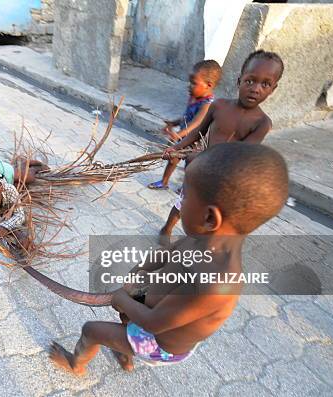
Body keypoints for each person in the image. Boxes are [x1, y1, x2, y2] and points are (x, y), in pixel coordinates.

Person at [48, 142, 289, 375]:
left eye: (184, 196)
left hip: (158, 342)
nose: (179, 202)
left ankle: (75, 364)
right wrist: (137, 274)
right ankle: (125, 352)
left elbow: (153, 323)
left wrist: (122, 297)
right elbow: (163, 255)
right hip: (155, 312)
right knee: (126, 311)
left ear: (209, 218)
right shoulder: (200, 238)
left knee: (92, 329)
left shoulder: (216, 283)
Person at [159, 50, 284, 238]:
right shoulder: (218, 106)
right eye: (250, 80)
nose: (256, 88)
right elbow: (197, 132)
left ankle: (198, 242)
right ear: (239, 80)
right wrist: (176, 148)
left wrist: (199, 157)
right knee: (184, 203)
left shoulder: (262, 123)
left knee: (213, 218)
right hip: (199, 172)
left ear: (273, 89)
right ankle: (166, 230)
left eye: (265, 84)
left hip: (225, 181)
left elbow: (240, 155)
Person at [148, 60, 222, 190]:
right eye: (190, 82)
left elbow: (197, 123)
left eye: (194, 83)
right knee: (172, 159)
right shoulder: (194, 96)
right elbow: (186, 116)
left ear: (208, 85)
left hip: (196, 142)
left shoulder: (207, 104)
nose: (189, 86)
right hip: (183, 137)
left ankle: (185, 189)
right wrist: (174, 123)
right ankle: (164, 182)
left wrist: (178, 135)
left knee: (190, 166)